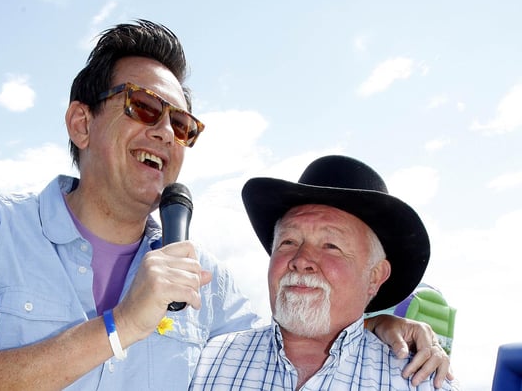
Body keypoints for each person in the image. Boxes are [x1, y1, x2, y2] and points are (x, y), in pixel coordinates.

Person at [0, 21, 450, 390]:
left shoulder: (206, 283)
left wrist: (381, 325)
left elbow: (302, 331)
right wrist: (122, 324)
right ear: (81, 122)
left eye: (182, 124)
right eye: (144, 107)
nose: (166, 133)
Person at [191, 155, 460, 390]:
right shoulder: (200, 366)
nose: (301, 260)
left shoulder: (426, 386)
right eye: (288, 242)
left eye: (331, 246)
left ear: (376, 276)